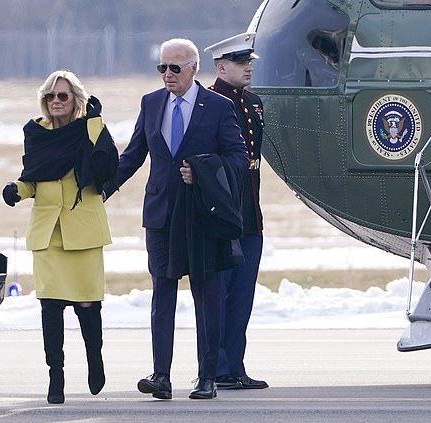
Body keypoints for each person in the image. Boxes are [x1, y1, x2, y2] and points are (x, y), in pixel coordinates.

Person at [103, 38, 249, 400]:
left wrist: (200, 173)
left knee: (206, 296)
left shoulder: (218, 106)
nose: (167, 75)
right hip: (161, 215)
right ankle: (161, 375)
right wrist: (101, 189)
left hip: (201, 216)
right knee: (162, 294)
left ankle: (207, 377)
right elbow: (134, 155)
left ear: (194, 68)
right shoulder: (151, 103)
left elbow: (237, 158)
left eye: (175, 68)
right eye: (162, 68)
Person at [1, 70, 118, 404]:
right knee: (50, 307)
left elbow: (107, 165)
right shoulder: (35, 134)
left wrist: (95, 122)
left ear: (75, 100)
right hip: (48, 232)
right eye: (50, 96)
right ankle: (56, 376)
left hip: (83, 230)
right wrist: (17, 190)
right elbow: (33, 178)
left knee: (86, 305)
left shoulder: (90, 129)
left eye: (62, 96)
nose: (55, 102)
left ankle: (95, 361)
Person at [204, 33, 269, 390]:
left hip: (249, 214)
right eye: (241, 63)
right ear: (221, 66)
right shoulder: (208, 102)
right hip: (221, 214)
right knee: (219, 294)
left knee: (242, 295)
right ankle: (215, 367)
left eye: (249, 62)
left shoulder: (254, 103)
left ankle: (235, 366)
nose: (248, 68)